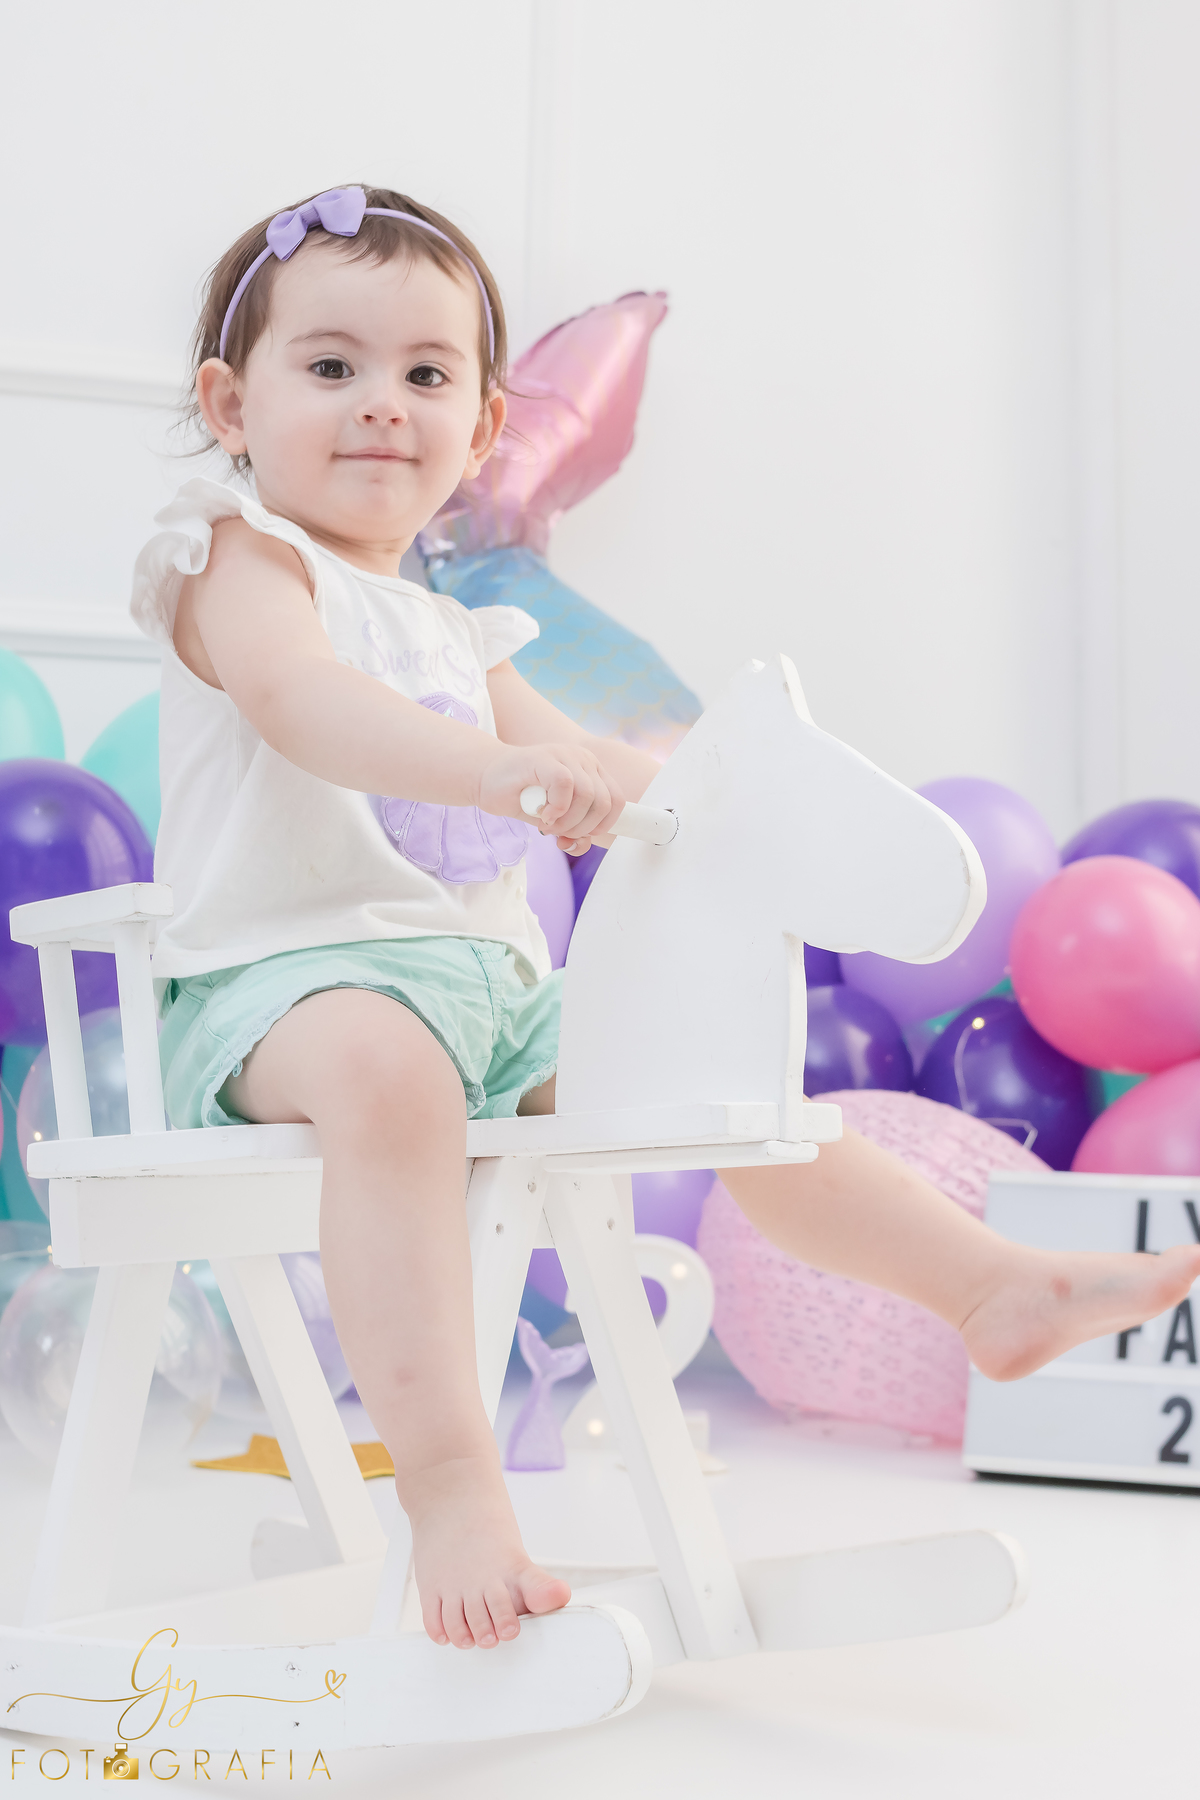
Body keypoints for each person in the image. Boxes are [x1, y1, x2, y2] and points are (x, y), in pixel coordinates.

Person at [133, 183, 1200, 1657]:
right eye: (332, 367)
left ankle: (991, 1286)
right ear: (229, 404)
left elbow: (614, 770)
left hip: (483, 991)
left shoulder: (462, 629)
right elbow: (307, 707)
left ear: (486, 430)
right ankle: (447, 1482)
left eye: (427, 376)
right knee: (393, 1077)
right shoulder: (238, 562)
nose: (383, 404)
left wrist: (701, 802)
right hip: (284, 989)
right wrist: (506, 775)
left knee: (709, 1064)